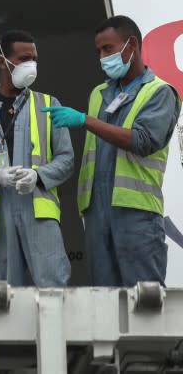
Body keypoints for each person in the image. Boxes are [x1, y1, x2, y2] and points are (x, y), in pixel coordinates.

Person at [43, 15, 180, 286]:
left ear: (131, 46)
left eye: (108, 49)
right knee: (104, 302)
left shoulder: (159, 92)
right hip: (97, 213)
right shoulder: (99, 93)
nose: (103, 57)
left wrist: (85, 121)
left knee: (144, 299)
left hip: (136, 212)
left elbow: (143, 141)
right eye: (99, 51)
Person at [0, 30, 74, 286]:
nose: (31, 65)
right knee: (8, 294)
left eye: (34, 58)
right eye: (24, 59)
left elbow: (66, 159)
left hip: (38, 210)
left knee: (53, 286)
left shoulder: (48, 104)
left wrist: (39, 176)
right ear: (2, 61)